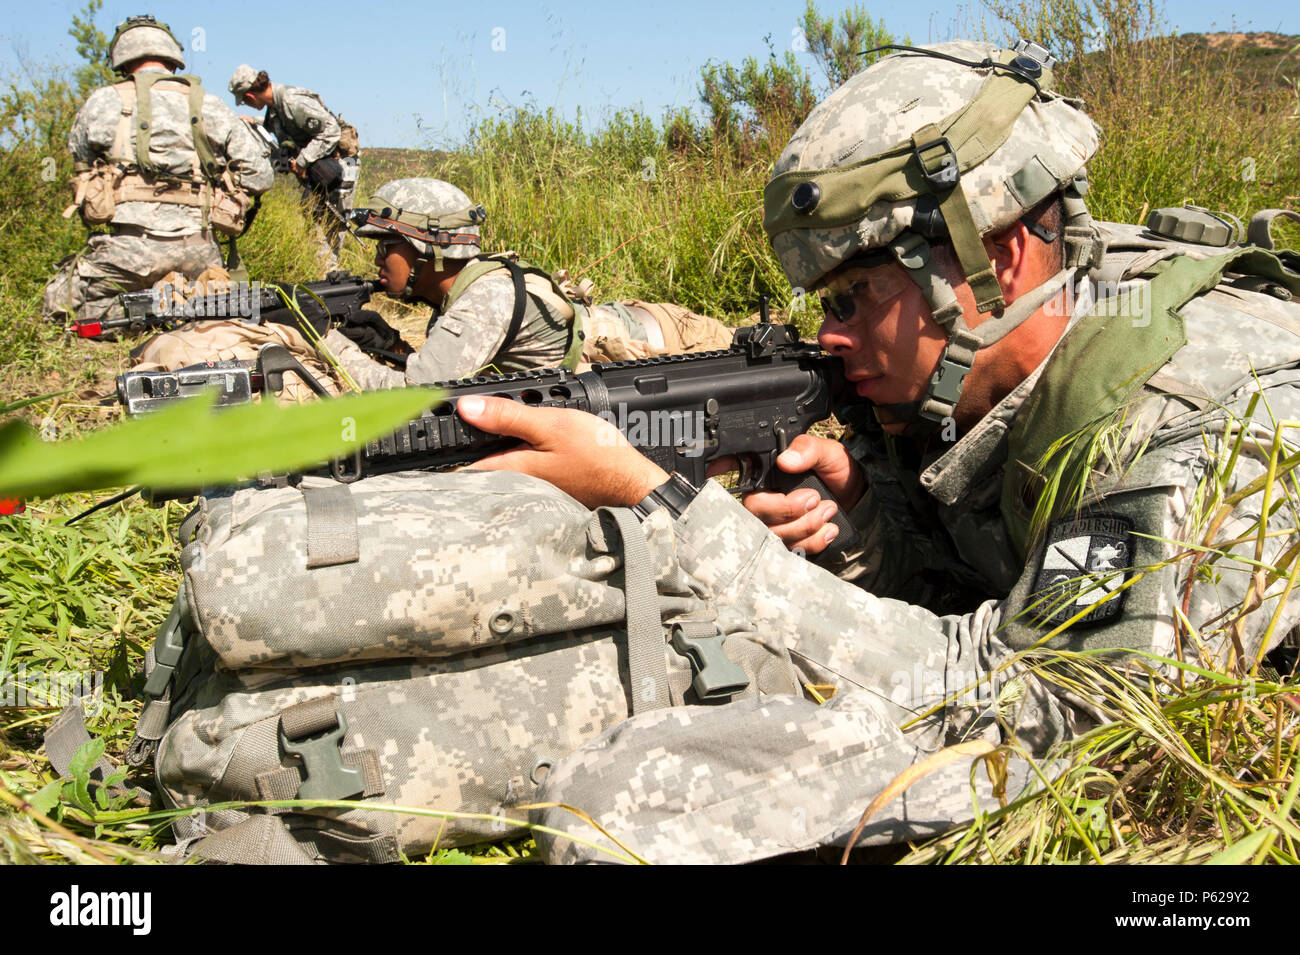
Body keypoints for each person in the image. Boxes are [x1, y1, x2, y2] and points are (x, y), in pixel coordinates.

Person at [442, 41, 1300, 863]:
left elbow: (1042, 710)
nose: (829, 334)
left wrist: (671, 512)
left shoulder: (1189, 418)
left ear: (995, 254)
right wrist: (869, 525)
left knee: (628, 801)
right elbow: (992, 572)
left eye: (855, 295)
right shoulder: (1021, 335)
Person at [319, 177, 737, 387]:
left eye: (386, 244)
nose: (377, 257)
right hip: (645, 331)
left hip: (673, 340)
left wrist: (322, 338)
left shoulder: (483, 299)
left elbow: (414, 398)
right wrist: (390, 347)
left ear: (429, 246)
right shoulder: (462, 292)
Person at [42, 15, 273, 326]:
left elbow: (81, 167)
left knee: (60, 308)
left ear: (122, 61)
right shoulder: (211, 105)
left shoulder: (102, 102)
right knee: (213, 303)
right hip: (200, 251)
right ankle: (186, 304)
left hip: (129, 251)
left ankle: (149, 312)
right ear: (172, 59)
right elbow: (261, 175)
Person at [228, 64, 359, 262]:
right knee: (313, 221)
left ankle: (331, 277)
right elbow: (283, 128)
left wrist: (302, 160)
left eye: (244, 101)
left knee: (331, 226)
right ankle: (324, 273)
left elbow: (331, 131)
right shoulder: (275, 107)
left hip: (339, 166)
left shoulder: (292, 101)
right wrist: (254, 122)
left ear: (249, 96)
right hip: (318, 169)